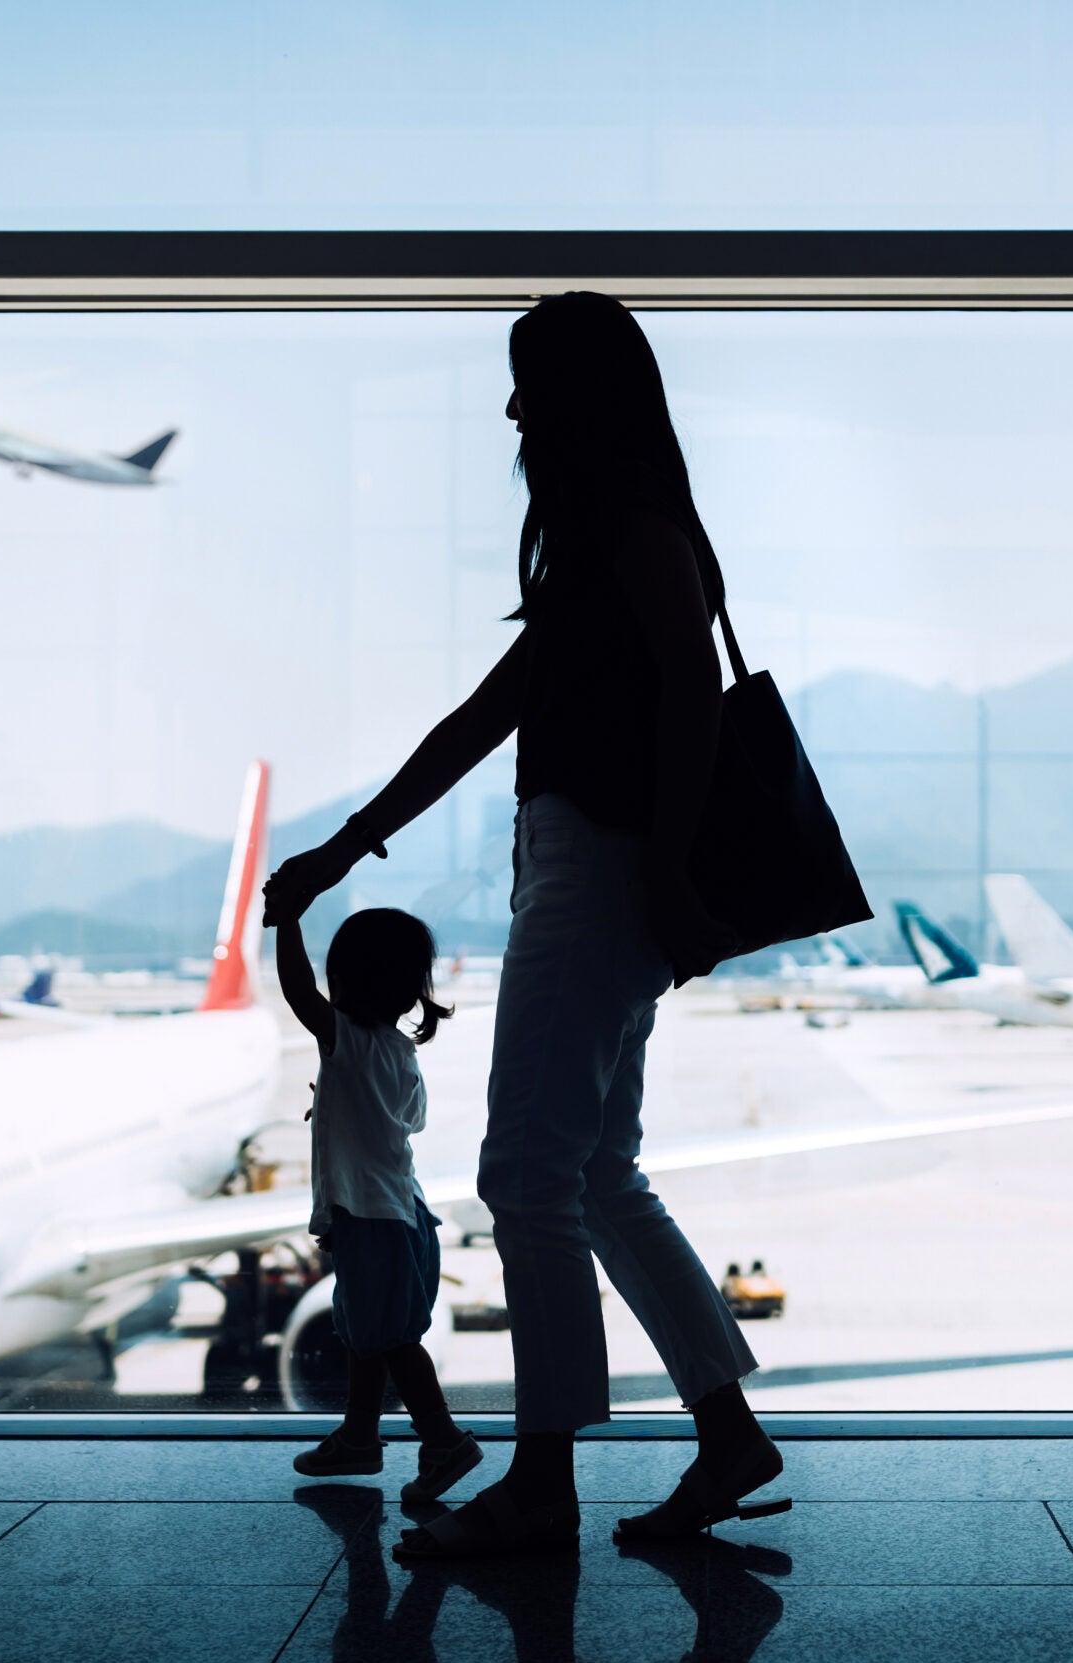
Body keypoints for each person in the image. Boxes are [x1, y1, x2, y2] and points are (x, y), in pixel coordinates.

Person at [264, 291, 787, 1559]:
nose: (510, 409)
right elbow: (474, 727)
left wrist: (660, 874)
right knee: (598, 1174)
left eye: (527, 383)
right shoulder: (605, 549)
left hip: (598, 874)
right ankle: (723, 1435)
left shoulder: (634, 540)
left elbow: (690, 714)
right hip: (598, 873)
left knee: (526, 1178)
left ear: (581, 400)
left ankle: (542, 1484)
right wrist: (344, 846)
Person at [276, 903, 485, 1505]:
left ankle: (444, 1440)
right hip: (405, 1215)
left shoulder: (342, 1038)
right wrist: (340, 1101)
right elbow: (406, 1121)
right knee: (370, 1332)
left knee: (390, 1339)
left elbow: (296, 990)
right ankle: (359, 1437)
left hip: (372, 1221)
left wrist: (286, 920)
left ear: (344, 981)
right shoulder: (400, 1052)